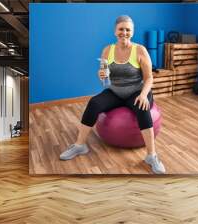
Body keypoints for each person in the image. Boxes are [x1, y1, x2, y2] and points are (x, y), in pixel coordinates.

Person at [59, 15, 165, 174]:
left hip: (137, 91)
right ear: (115, 31)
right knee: (94, 103)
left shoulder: (140, 50)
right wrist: (100, 74)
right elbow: (104, 77)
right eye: (121, 29)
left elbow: (149, 78)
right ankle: (80, 145)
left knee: (142, 109)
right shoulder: (107, 50)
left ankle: (151, 156)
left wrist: (144, 95)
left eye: (128, 29)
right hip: (115, 91)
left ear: (132, 32)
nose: (124, 32)